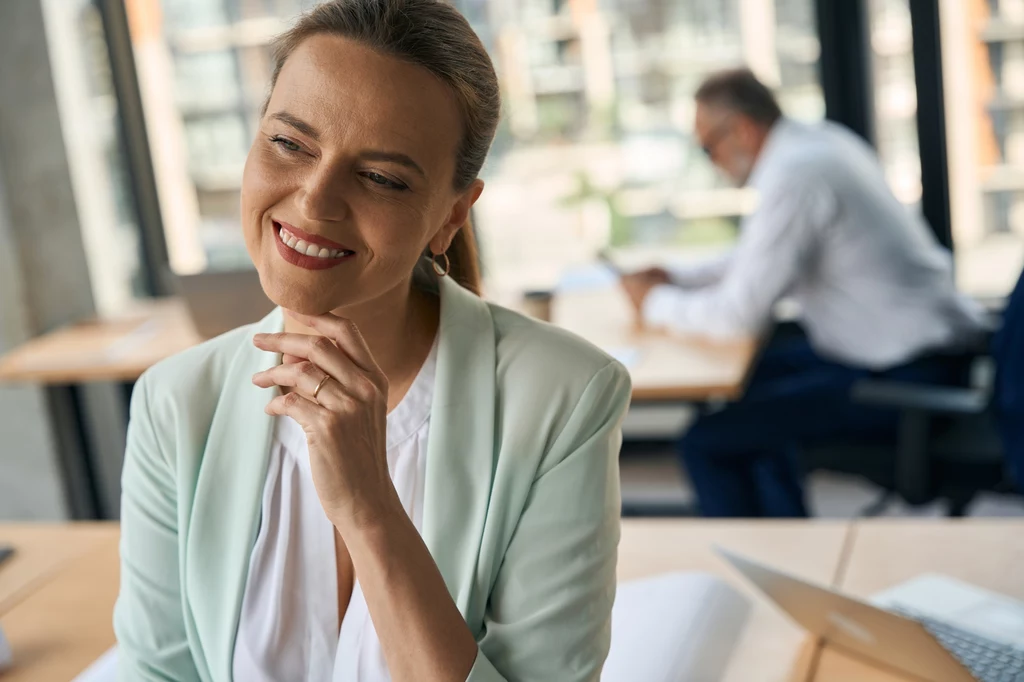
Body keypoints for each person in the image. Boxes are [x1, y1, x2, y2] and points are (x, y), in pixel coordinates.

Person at [114, 2, 631, 680]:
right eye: (290, 144)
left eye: (382, 178)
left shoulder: (565, 399)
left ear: (450, 216)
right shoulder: (177, 401)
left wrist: (369, 509)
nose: (313, 201)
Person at [620, 68, 986, 518]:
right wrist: (676, 277)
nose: (710, 159)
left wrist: (653, 303)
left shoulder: (794, 176)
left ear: (743, 130)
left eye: (706, 146)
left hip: (905, 379)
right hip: (910, 352)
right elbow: (758, 257)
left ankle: (767, 559)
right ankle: (780, 535)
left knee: (708, 443)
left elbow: (738, 315)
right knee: (746, 399)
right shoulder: (819, 144)